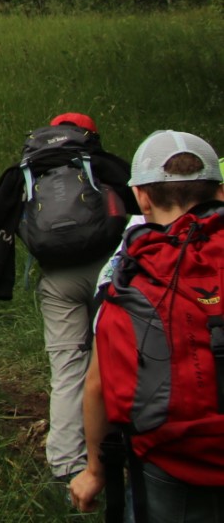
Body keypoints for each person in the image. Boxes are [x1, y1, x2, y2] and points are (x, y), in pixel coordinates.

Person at [0, 112, 132, 487]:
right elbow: (139, 205)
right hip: (109, 274)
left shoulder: (30, 170)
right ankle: (124, 456)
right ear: (89, 135)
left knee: (68, 369)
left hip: (57, 281)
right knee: (118, 360)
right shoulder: (99, 162)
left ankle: (66, 467)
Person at [71, 130, 224, 519]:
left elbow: (98, 385)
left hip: (171, 462)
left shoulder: (128, 276)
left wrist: (95, 471)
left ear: (142, 198)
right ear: (220, 192)